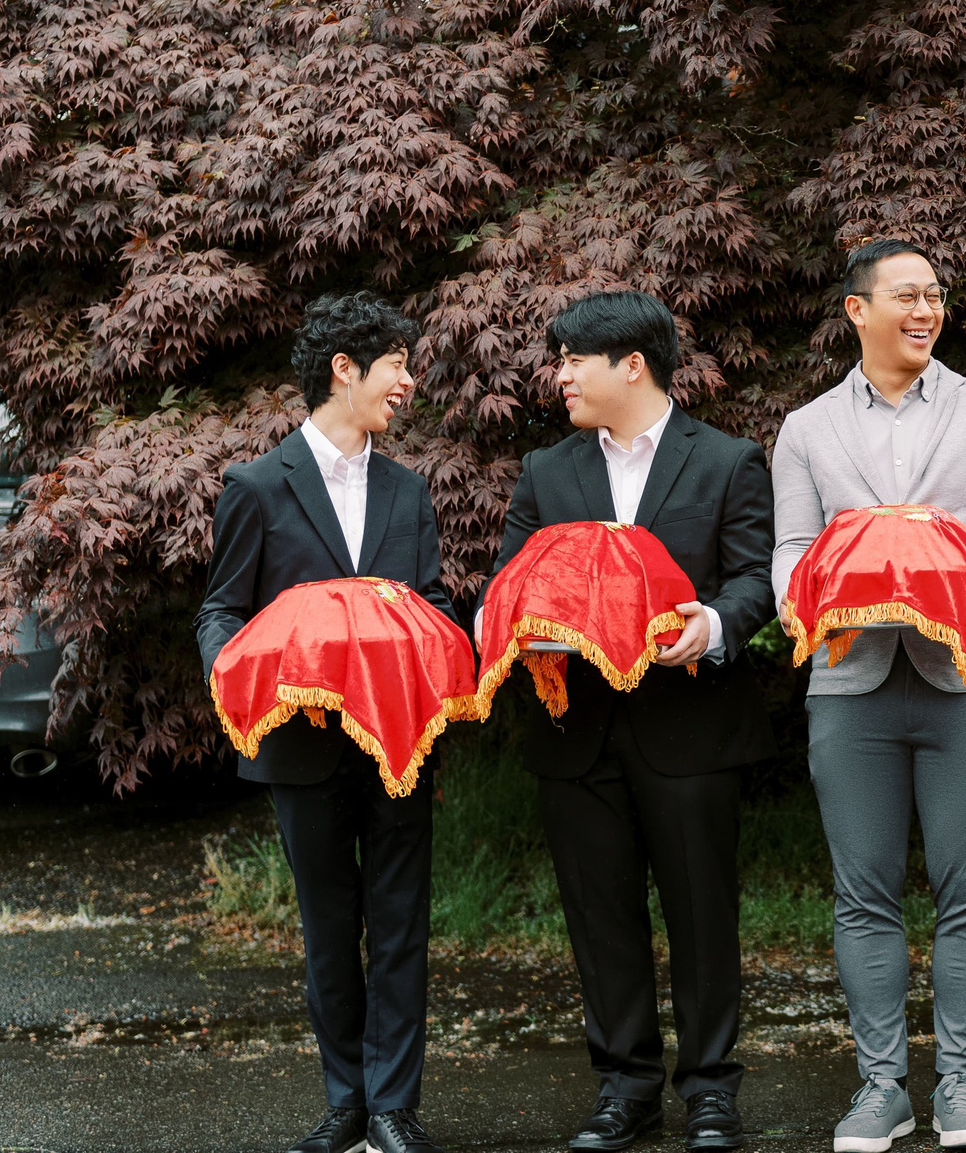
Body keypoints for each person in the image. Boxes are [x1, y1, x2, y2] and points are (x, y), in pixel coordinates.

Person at [771, 239, 966, 1153]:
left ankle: (960, 1082)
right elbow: (790, 547)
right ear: (857, 309)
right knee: (864, 892)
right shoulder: (805, 428)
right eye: (906, 296)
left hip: (965, 681)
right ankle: (880, 1085)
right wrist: (800, 600)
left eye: (935, 295)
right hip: (849, 680)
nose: (925, 310)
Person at [494, 291, 776, 1153]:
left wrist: (716, 624)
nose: (561, 373)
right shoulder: (547, 473)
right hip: (575, 729)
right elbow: (510, 584)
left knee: (702, 912)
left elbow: (756, 576)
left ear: (633, 365)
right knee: (599, 914)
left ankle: (713, 1092)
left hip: (690, 721)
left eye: (575, 357)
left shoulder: (727, 461)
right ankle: (625, 1087)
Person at [196, 293, 452, 1153]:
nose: (407, 382)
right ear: (345, 369)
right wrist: (236, 680)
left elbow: (435, 609)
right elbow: (221, 612)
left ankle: (394, 1107)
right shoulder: (257, 487)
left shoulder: (411, 492)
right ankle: (346, 1099)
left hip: (402, 745)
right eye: (396, 365)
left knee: (401, 922)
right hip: (298, 748)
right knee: (328, 927)